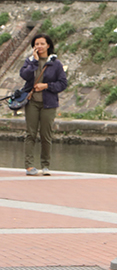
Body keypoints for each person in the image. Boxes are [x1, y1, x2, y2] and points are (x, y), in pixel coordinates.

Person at [20, 34, 68, 176]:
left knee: (46, 134)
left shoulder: (56, 63)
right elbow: (24, 75)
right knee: (30, 134)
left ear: (48, 45)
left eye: (42, 43)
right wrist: (34, 62)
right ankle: (29, 166)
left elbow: (62, 83)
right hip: (32, 102)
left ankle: (45, 165)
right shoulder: (29, 61)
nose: (39, 46)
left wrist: (46, 86)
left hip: (49, 103)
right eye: (36, 44)